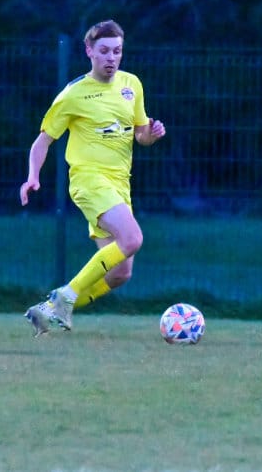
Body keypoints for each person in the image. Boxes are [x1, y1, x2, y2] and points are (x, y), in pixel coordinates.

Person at [19, 19, 166, 337]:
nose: (112, 58)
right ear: (89, 51)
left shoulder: (132, 84)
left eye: (117, 51)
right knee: (133, 239)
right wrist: (32, 176)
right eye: (104, 51)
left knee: (120, 273)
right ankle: (65, 297)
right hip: (88, 181)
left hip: (119, 185)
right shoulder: (73, 94)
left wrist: (151, 134)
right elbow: (43, 141)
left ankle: (48, 313)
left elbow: (140, 134)